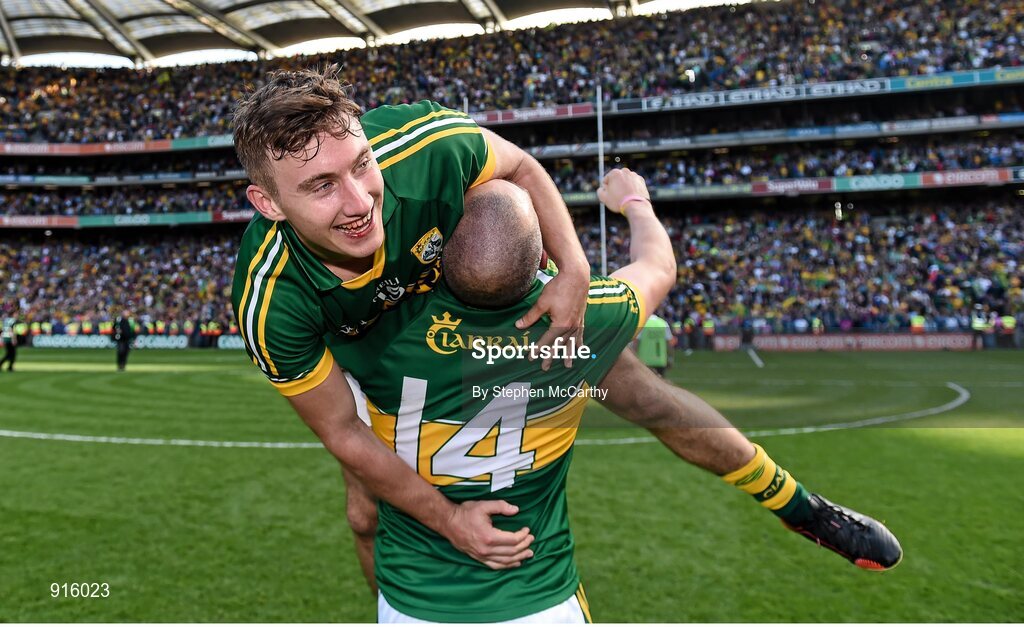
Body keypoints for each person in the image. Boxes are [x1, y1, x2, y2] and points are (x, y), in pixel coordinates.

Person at [338, 174, 901, 622]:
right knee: (653, 398)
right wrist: (635, 201)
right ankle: (796, 504)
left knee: (364, 511)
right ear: (542, 260)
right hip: (540, 600)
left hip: (413, 604)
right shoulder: (590, 318)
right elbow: (659, 265)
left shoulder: (375, 330)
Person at [230, 65, 594, 574]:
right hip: (361, 358)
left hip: (448, 310)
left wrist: (575, 268)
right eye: (321, 187)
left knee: (500, 198)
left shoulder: (426, 145)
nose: (359, 202)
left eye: (361, 165)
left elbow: (523, 168)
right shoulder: (270, 299)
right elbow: (341, 429)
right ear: (268, 203)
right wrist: (451, 521)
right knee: (365, 515)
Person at [635, 310, 671, 376]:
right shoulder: (663, 323)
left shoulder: (642, 323)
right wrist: (670, 358)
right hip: (660, 360)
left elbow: (636, 342)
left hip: (644, 360)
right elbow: (669, 343)